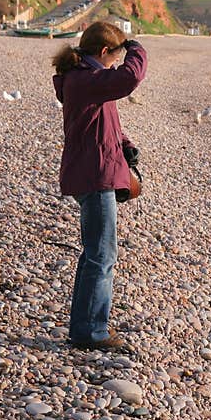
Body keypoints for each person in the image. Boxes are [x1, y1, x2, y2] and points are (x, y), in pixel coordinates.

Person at [51, 22, 147, 351]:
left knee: (95, 254)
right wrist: (137, 49)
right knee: (101, 256)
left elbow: (105, 119)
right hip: (94, 175)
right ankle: (91, 331)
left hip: (94, 171)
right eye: (114, 58)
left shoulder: (87, 80)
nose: (114, 65)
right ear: (104, 52)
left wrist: (125, 144)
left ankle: (86, 325)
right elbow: (130, 78)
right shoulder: (85, 79)